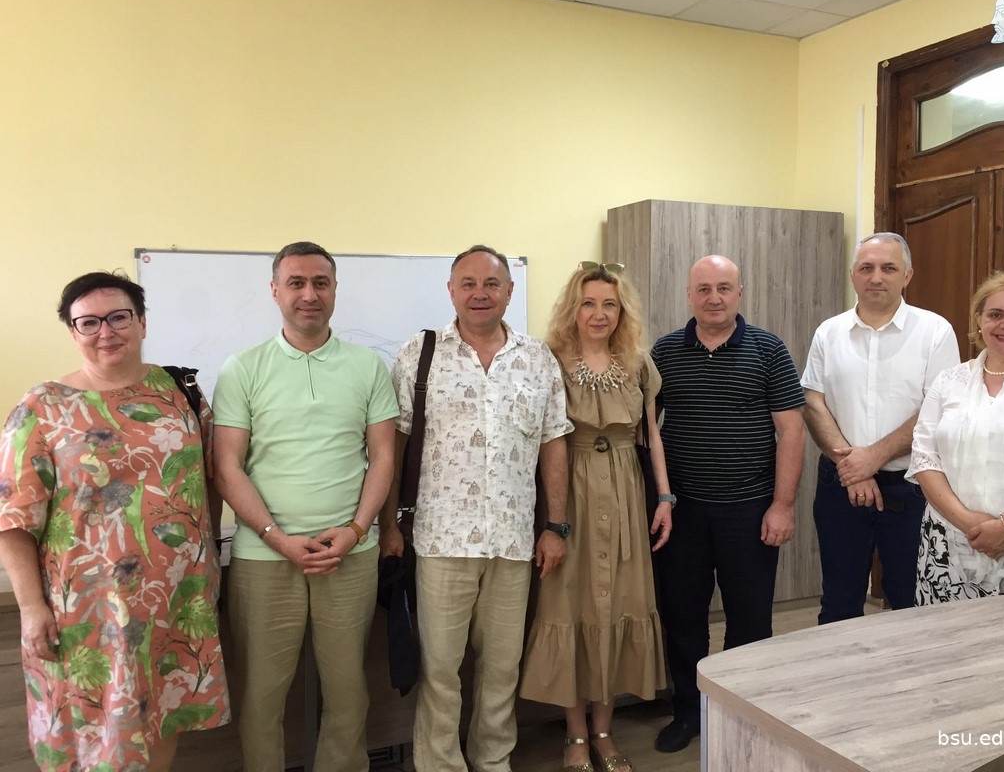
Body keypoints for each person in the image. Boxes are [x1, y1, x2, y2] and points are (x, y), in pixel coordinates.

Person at [0, 272, 229, 771]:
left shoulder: (181, 392)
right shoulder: (42, 407)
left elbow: (212, 476)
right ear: (73, 332)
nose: (106, 331)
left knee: (163, 715)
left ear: (142, 322)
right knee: (90, 730)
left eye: (119, 317)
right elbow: (13, 517)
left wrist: (207, 556)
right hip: (85, 606)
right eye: (89, 322)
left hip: (175, 596)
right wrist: (31, 607)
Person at [384, 244, 572, 772]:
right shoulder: (419, 354)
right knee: (440, 670)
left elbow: (554, 444)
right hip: (440, 539)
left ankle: (493, 760)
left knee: (502, 668)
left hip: (513, 539)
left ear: (509, 291)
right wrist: (387, 524)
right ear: (451, 291)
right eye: (467, 284)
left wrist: (556, 526)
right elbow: (394, 445)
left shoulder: (538, 359)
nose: (479, 294)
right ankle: (440, 765)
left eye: (491, 284)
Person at [212, 242, 398, 772]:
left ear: (335, 290)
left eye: (320, 282)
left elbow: (384, 457)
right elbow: (227, 466)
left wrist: (356, 528)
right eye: (296, 283)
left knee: (349, 691)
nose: (309, 294)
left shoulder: (368, 366)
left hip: (349, 554)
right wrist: (277, 537)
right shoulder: (243, 368)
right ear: (275, 291)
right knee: (262, 697)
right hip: (264, 556)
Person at [519, 262, 673, 772]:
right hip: (571, 491)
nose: (599, 313)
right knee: (571, 606)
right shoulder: (549, 361)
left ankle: (605, 732)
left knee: (618, 605)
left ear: (621, 311)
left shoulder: (639, 364)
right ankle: (576, 735)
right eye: (589, 303)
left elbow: (652, 437)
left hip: (626, 491)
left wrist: (665, 498)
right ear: (573, 308)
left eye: (610, 304)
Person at [650, 255, 806, 754]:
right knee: (683, 618)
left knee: (750, 620)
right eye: (703, 289)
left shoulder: (768, 350)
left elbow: (791, 431)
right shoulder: (665, 352)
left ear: (740, 292)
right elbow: (647, 429)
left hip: (750, 510)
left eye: (723, 288)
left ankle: (742, 714)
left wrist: (782, 505)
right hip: (683, 513)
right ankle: (688, 712)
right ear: (688, 295)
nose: (713, 298)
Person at [801, 233, 959, 623]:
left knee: (911, 599)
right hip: (840, 484)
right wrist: (853, 468)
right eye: (866, 268)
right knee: (838, 601)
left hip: (913, 485)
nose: (876, 277)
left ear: (907, 275)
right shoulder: (828, 333)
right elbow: (813, 402)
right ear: (853, 274)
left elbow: (937, 409)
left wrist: (872, 458)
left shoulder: (935, 331)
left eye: (888, 268)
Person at [908, 271, 1004, 601]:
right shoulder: (948, 381)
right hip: (949, 544)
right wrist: (968, 523)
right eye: (995, 314)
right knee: (947, 633)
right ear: (978, 320)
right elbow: (924, 458)